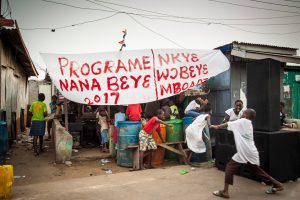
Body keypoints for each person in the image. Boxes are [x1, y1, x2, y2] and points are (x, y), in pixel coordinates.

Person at [210, 109, 284, 198]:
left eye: (244, 112)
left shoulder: (243, 121)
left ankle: (225, 191)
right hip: (250, 151)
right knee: (256, 170)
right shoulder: (249, 123)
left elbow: (227, 124)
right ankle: (277, 184)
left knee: (229, 167)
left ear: (246, 115)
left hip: (244, 151)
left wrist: (216, 126)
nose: (242, 113)